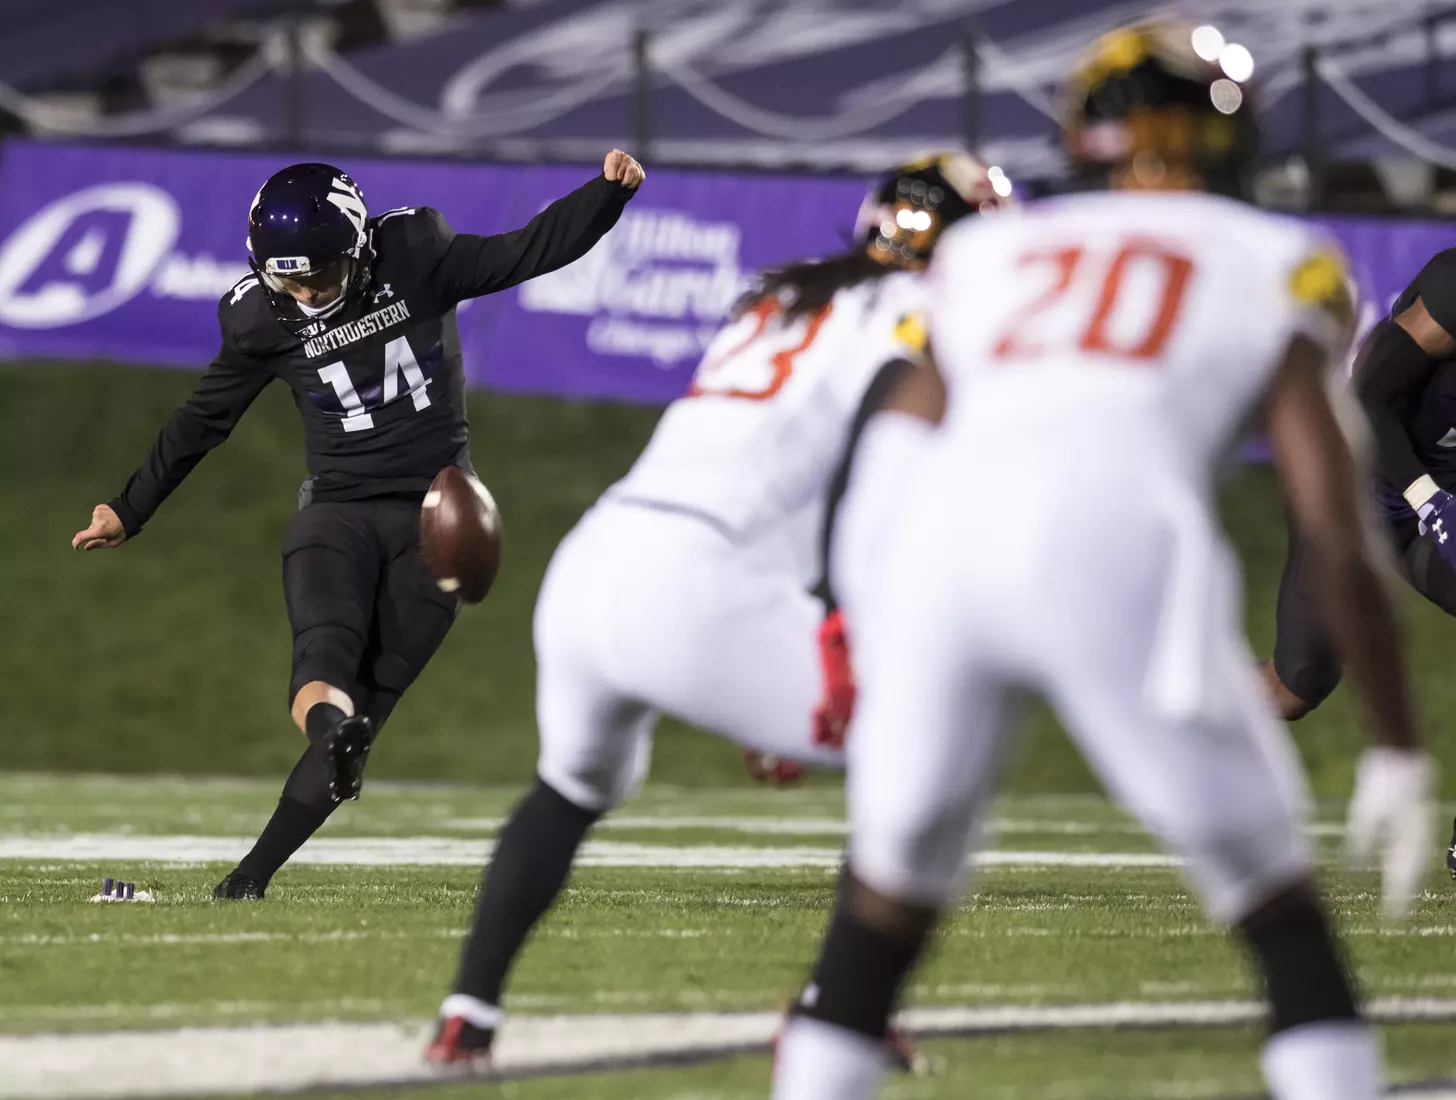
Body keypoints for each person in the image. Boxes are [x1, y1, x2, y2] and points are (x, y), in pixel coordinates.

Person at [772, 21, 1436, 1100]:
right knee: (1283, 918)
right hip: (1115, 546)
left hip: (942, 550)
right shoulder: (1280, 261)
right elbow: (1331, 517)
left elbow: (901, 420)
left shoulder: (992, 249)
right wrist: (1398, 745)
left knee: (879, 918)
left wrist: (858, 605)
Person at [425, 153, 1011, 1065]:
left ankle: (467, 1020)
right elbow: (872, 455)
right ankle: (839, 1002)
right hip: (705, 586)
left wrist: (762, 655)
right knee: (933, 755)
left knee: (569, 790)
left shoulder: (776, 300)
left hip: (596, 562)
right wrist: (826, 622)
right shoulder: (924, 316)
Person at [71, 151, 645, 900]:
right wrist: (131, 504)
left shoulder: (416, 257)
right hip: (345, 510)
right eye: (290, 279)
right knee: (328, 659)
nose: (306, 292)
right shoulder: (260, 317)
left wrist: (605, 194)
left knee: (348, 685)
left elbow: (526, 249)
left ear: (360, 247)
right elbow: (204, 417)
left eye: (320, 275)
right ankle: (266, 846)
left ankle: (251, 875)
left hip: (436, 517)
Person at [1262, 247, 1456, 878]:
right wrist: (1429, 500)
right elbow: (1369, 400)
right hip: (1366, 484)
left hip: (1445, 487)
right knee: (1298, 684)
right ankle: (1172, 722)